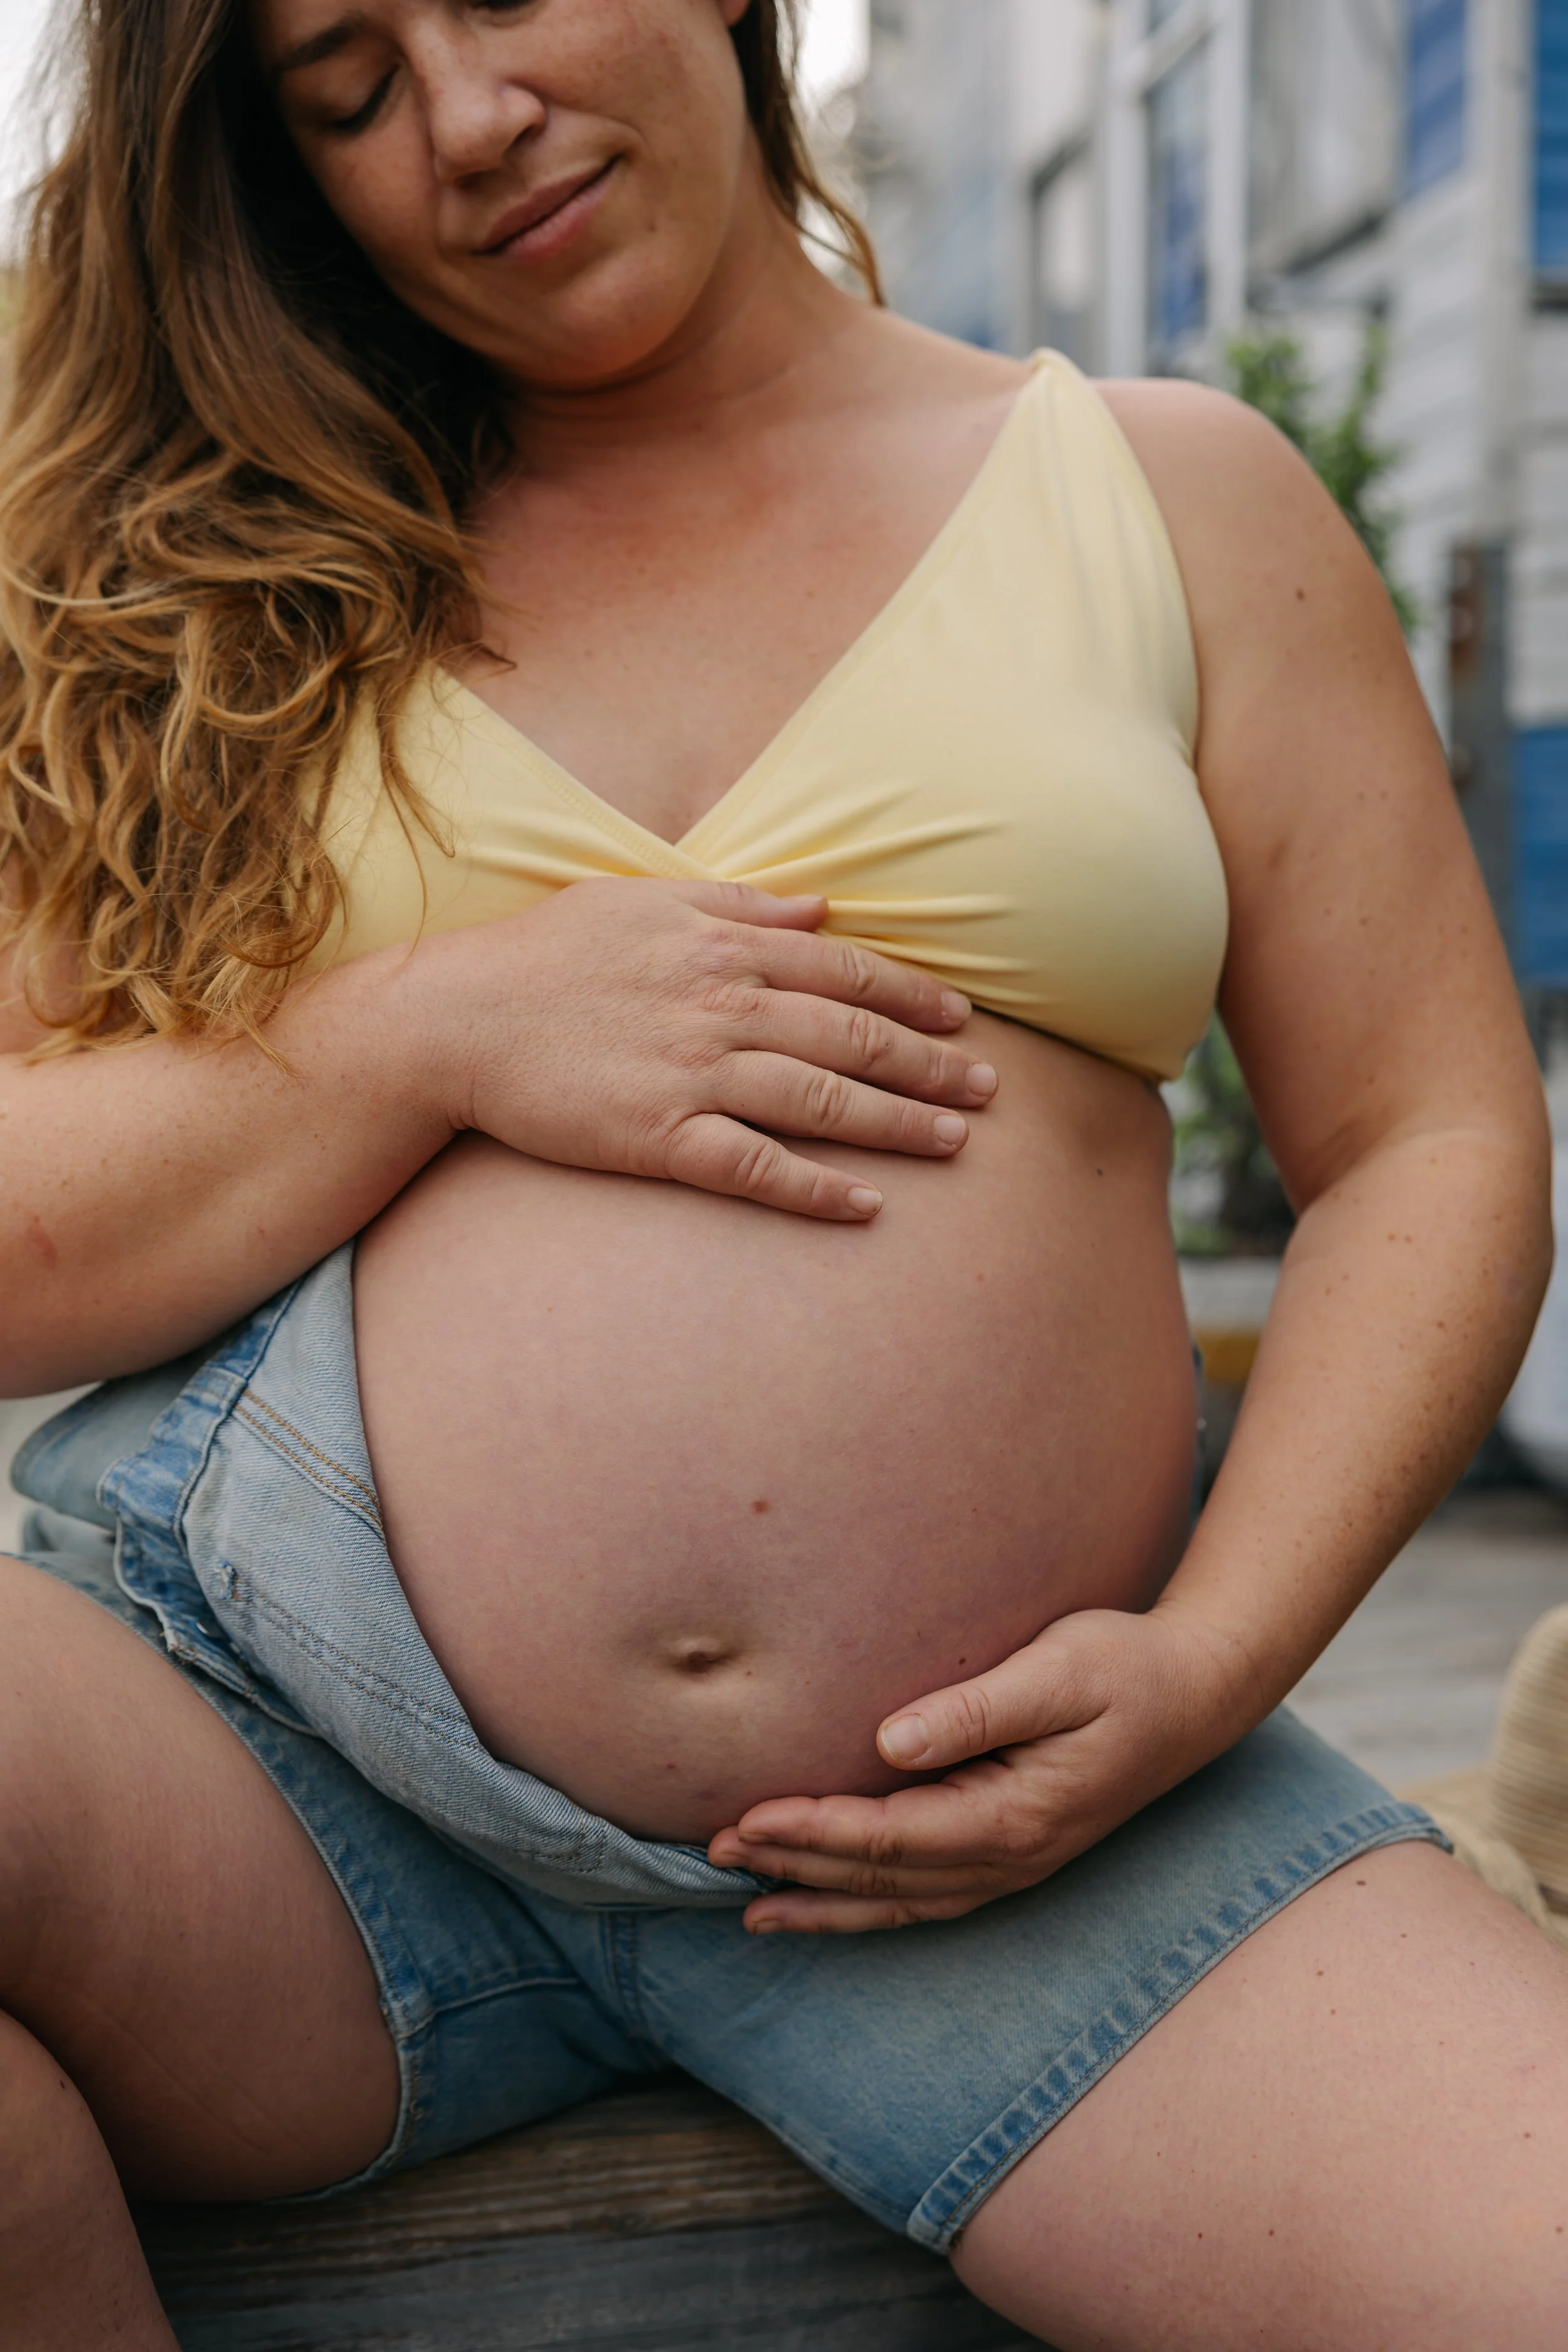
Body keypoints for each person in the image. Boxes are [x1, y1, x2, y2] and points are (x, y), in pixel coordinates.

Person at [1, 2, 1564, 2344]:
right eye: (341, 78)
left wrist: (1213, 1656)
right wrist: (420, 1028)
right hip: (273, 1771)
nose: (463, 119)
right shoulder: (188, 582)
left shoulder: (1161, 493)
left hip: (1016, 1848)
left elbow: (1423, 1138)